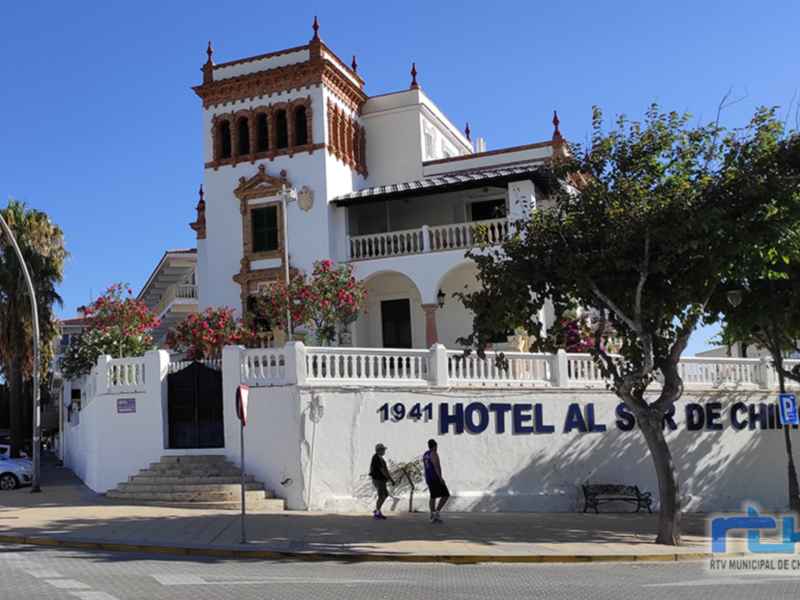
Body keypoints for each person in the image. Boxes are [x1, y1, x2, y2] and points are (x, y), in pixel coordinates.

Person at [423, 438, 450, 522]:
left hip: (429, 477)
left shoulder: (425, 454)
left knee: (433, 496)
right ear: (435, 446)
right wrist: (440, 477)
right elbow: (436, 466)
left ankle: (432, 514)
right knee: (445, 494)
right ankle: (437, 511)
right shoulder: (433, 454)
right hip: (435, 477)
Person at [369, 443, 395, 519]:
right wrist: (391, 479)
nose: (384, 451)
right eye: (383, 450)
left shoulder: (376, 457)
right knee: (383, 495)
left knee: (383, 495)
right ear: (379, 450)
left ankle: (377, 509)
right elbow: (383, 470)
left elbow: (371, 467)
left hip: (378, 479)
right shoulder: (378, 458)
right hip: (379, 479)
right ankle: (377, 511)